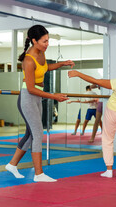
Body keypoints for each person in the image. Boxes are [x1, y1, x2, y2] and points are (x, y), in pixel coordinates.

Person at [5, 25, 75, 182]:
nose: (47, 44)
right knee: (37, 134)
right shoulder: (28, 60)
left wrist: (62, 64)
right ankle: (38, 174)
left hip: (37, 97)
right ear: (34, 41)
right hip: (28, 97)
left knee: (31, 134)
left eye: (48, 40)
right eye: (44, 41)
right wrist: (53, 96)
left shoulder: (41, 53)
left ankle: (12, 164)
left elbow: (45, 68)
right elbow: (30, 88)